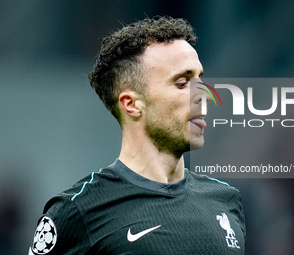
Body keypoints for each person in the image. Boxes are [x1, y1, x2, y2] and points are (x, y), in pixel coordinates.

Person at [28, 16, 246, 255]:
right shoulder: (78, 212)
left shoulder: (226, 201)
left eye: (200, 79)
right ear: (131, 104)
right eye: (182, 83)